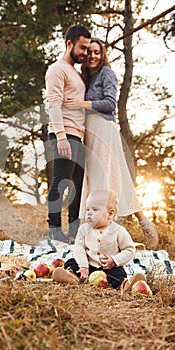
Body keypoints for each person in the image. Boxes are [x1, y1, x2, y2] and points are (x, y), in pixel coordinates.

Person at [67, 39, 158, 250]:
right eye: (89, 52)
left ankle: (134, 229)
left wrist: (84, 104)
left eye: (97, 52)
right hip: (89, 134)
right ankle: (109, 232)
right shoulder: (86, 78)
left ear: (103, 54)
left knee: (106, 182)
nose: (93, 56)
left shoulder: (107, 73)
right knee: (106, 181)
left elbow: (110, 103)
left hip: (105, 131)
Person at [52, 189, 151, 293]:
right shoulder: (84, 229)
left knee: (117, 274)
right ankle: (72, 277)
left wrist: (114, 260)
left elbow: (130, 249)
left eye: (94, 210)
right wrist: (83, 266)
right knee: (71, 262)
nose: (89, 213)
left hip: (109, 268)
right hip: (88, 265)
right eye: (87, 209)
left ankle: (126, 285)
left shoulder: (118, 231)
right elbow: (79, 248)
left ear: (110, 214)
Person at [45, 25, 91, 243]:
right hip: (64, 134)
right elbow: (53, 104)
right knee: (60, 182)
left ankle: (74, 233)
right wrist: (61, 136)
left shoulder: (76, 72)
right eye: (82, 47)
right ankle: (54, 231)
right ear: (69, 43)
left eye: (88, 49)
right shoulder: (58, 69)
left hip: (78, 134)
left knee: (78, 186)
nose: (85, 53)